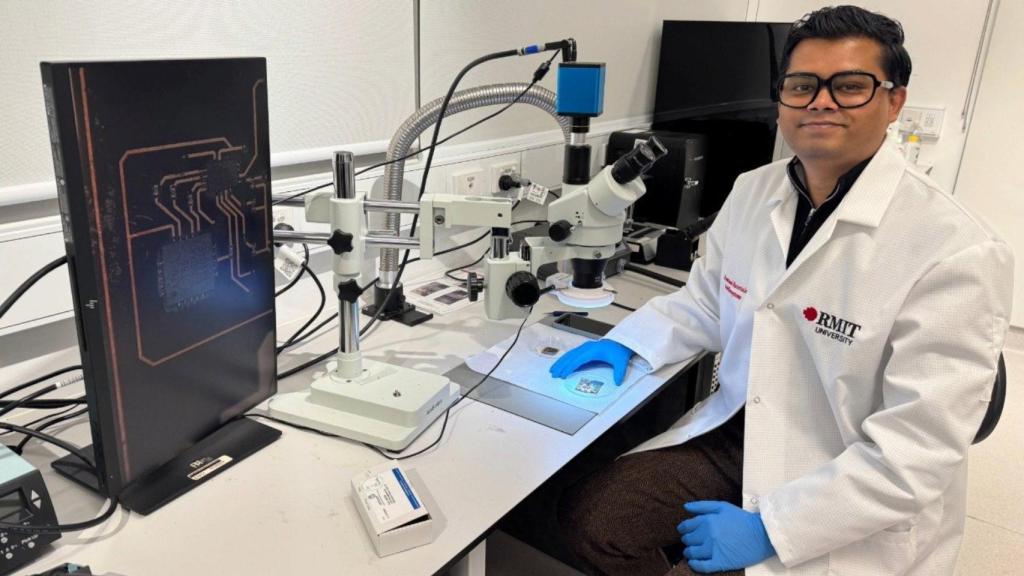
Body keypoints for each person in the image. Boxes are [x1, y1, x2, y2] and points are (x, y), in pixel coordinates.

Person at [551, 5, 1014, 575]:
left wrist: (773, 527)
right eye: (802, 86)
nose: (821, 101)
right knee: (600, 524)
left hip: (850, 466)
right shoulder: (754, 191)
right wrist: (632, 343)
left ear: (894, 101)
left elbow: (915, 453)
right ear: (783, 100)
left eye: (849, 86)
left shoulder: (954, 248)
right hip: (744, 430)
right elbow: (706, 300)